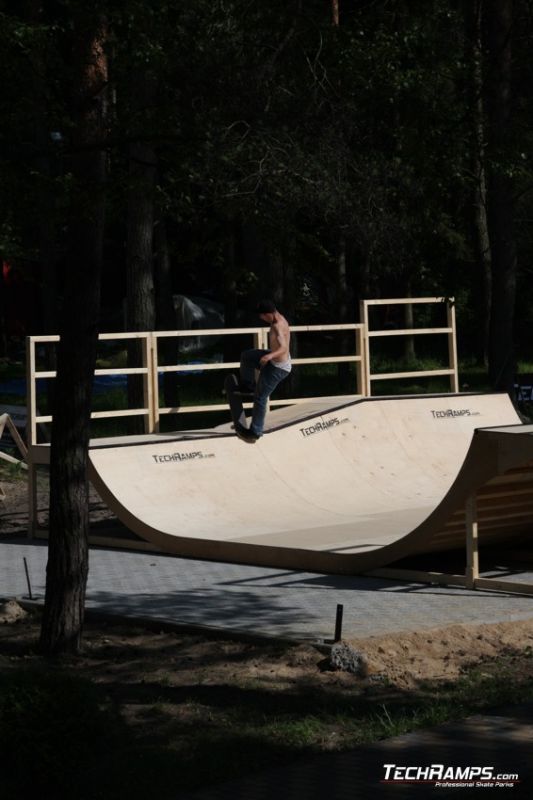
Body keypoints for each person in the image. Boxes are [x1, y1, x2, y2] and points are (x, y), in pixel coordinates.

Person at [236, 299, 291, 442]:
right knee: (247, 356)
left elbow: (284, 348)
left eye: (262, 316)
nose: (261, 319)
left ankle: (255, 432)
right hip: (274, 359)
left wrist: (269, 355)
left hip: (278, 368)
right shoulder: (277, 318)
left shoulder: (278, 326)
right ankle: (248, 385)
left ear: (269, 314)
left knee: (260, 398)